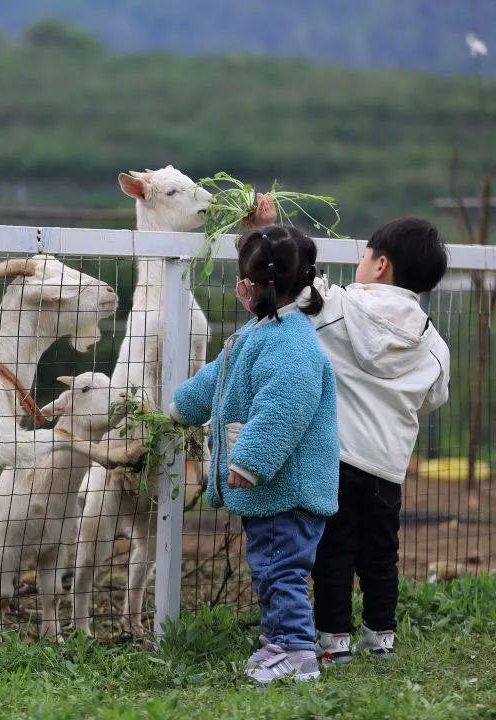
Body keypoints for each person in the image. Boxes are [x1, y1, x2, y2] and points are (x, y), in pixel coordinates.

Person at [168, 225, 339, 683]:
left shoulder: (291, 343)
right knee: (269, 567)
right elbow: (217, 378)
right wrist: (179, 408)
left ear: (260, 286)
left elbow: (283, 408)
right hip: (271, 491)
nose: (237, 285)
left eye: (242, 277)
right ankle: (280, 643)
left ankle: (297, 653)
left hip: (287, 488)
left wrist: (251, 462)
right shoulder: (261, 331)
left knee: (280, 569)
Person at [295, 214, 450, 663]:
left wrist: (261, 227)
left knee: (334, 551)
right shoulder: (434, 343)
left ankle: (333, 641)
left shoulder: (337, 308)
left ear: (380, 265)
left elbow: (293, 286)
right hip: (387, 465)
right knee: (381, 553)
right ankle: (381, 636)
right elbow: (433, 398)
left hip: (336, 457)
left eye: (364, 255)